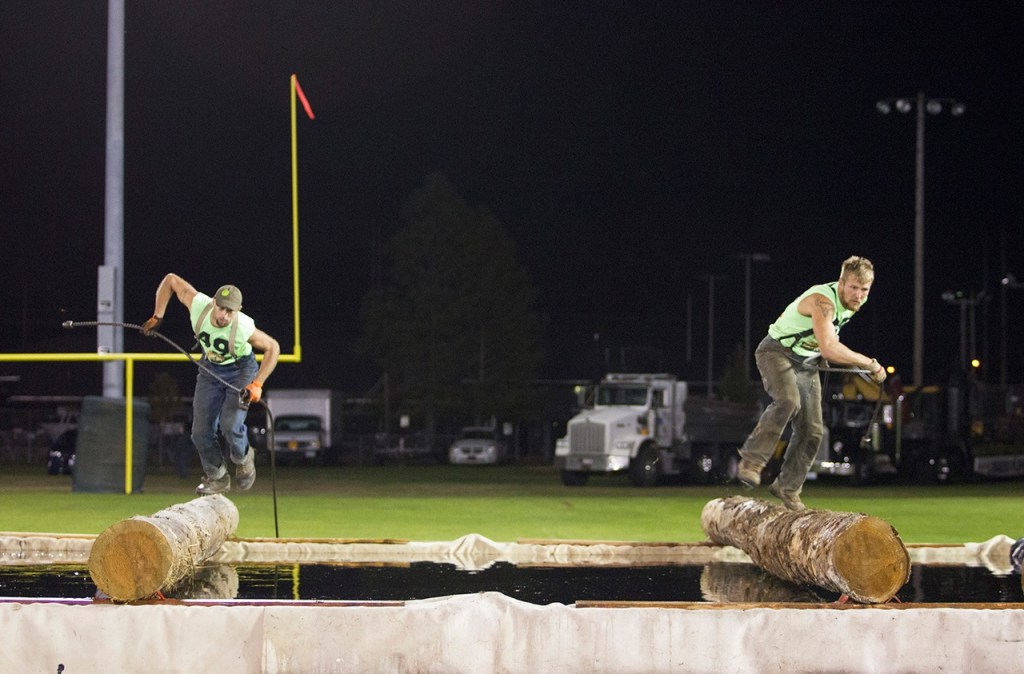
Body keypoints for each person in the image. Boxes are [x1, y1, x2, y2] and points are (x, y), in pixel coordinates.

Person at [737, 256, 886, 510]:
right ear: (841, 283)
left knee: (813, 429)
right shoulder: (823, 301)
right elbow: (829, 349)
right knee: (788, 401)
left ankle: (787, 487)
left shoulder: (854, 302)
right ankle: (751, 461)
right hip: (776, 353)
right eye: (853, 288)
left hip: (806, 362)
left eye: (864, 290)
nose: (859, 295)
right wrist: (869, 364)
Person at [141, 273, 280, 495]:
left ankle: (244, 457)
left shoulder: (244, 327)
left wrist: (257, 384)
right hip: (210, 371)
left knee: (230, 424)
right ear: (213, 301)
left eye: (230, 311)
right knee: (200, 432)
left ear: (239, 310)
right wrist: (158, 316)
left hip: (240, 370)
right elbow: (170, 281)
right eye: (221, 308)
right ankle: (217, 477)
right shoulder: (198, 305)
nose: (224, 315)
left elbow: (273, 347)